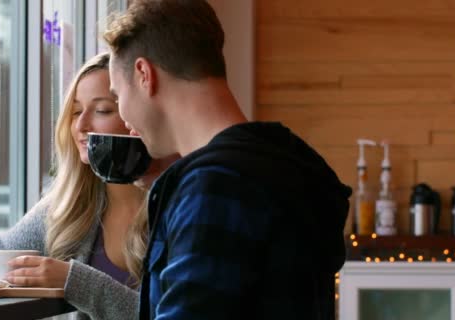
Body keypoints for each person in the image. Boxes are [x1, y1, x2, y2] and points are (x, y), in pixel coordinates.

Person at [103, 1, 352, 319]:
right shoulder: (283, 164)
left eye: (116, 95)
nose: (122, 116)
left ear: (143, 74)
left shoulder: (214, 186)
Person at [0, 52, 160, 320]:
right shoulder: (69, 203)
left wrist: (75, 281)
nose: (82, 125)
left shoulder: (173, 206)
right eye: (75, 112)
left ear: (135, 119)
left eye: (101, 110)